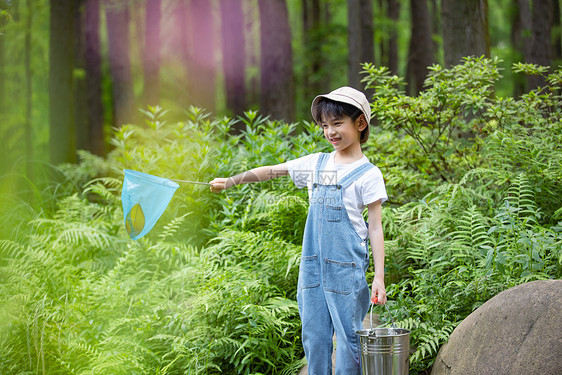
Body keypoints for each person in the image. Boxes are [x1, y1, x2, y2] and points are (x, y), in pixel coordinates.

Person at [209, 86, 387, 375]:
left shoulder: (369, 174)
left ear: (360, 123)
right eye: (325, 125)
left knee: (349, 339)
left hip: (346, 271)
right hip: (312, 269)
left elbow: (376, 228)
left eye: (337, 123)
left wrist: (379, 277)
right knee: (314, 338)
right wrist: (232, 180)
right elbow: (271, 171)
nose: (330, 132)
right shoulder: (316, 164)